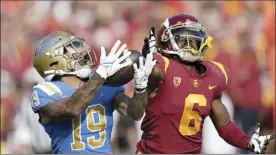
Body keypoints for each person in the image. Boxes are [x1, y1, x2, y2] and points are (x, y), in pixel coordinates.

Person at [136, 14, 274, 154]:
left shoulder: (213, 76)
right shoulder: (161, 67)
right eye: (183, 39)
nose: (190, 43)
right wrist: (139, 61)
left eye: (194, 38)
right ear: (166, 42)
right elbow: (143, 65)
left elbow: (225, 125)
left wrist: (247, 141)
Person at [30, 31, 156, 153]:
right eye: (70, 50)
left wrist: (141, 87)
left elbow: (134, 113)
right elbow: (71, 108)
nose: (81, 52)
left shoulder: (103, 82)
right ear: (54, 62)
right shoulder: (45, 90)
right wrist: (100, 75)